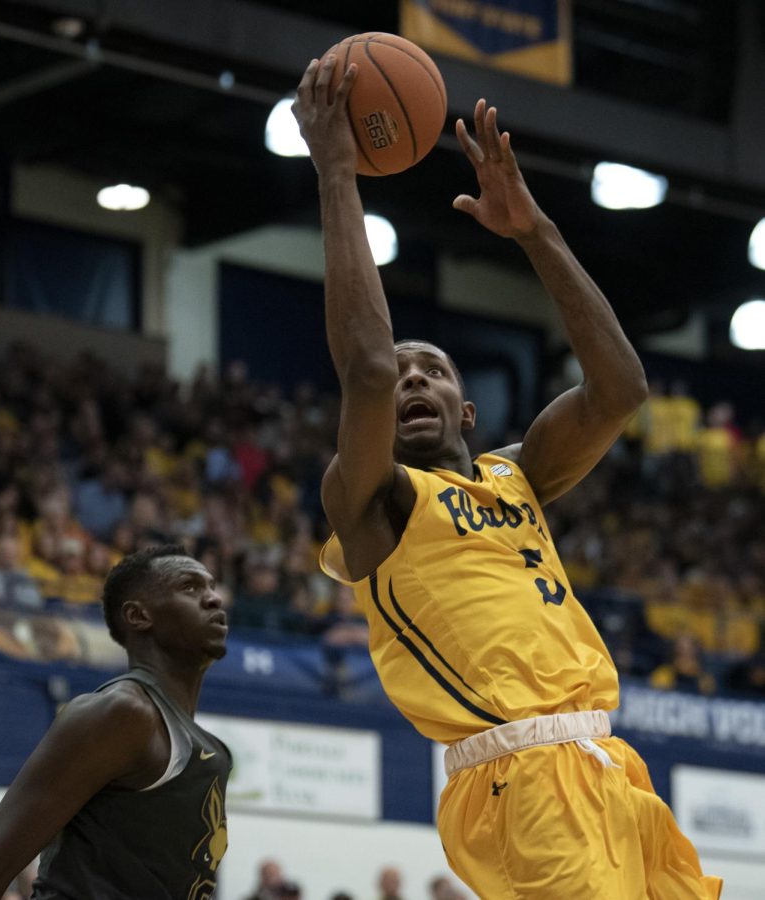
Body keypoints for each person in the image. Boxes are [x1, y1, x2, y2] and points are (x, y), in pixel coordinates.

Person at [294, 55, 722, 899]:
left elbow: (620, 388)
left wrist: (536, 233)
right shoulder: (371, 504)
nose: (413, 378)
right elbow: (371, 371)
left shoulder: (519, 476)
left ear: (468, 412)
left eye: (436, 371)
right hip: (515, 776)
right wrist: (337, 171)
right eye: (407, 371)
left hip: (610, 766)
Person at [0, 544, 231, 900]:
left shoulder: (208, 748)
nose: (214, 599)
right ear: (139, 616)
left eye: (212, 586)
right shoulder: (121, 714)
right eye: (190, 587)